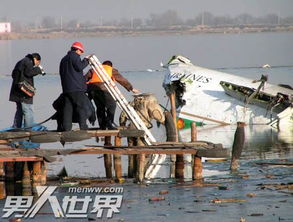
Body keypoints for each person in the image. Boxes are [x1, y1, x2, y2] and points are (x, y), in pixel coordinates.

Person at [87, 60, 140, 130]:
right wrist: (131, 88)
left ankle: (102, 126)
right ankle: (109, 124)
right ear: (110, 66)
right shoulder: (110, 69)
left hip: (92, 90)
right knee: (112, 105)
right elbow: (121, 80)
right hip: (103, 89)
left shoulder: (94, 69)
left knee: (100, 108)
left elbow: (84, 78)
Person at [59, 41, 90, 131]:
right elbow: (79, 67)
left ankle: (67, 128)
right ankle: (83, 127)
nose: (81, 54)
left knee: (67, 109)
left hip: (67, 89)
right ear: (77, 50)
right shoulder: (75, 56)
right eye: (81, 52)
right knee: (81, 107)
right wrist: (86, 60)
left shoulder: (63, 59)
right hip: (76, 88)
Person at [9, 53, 45, 128]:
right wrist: (38, 70)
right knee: (28, 110)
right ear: (35, 59)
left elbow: (13, 75)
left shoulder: (20, 62)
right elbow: (29, 72)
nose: (36, 65)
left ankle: (16, 128)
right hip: (24, 93)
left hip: (16, 92)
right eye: (38, 63)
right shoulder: (28, 62)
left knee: (19, 111)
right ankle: (28, 129)